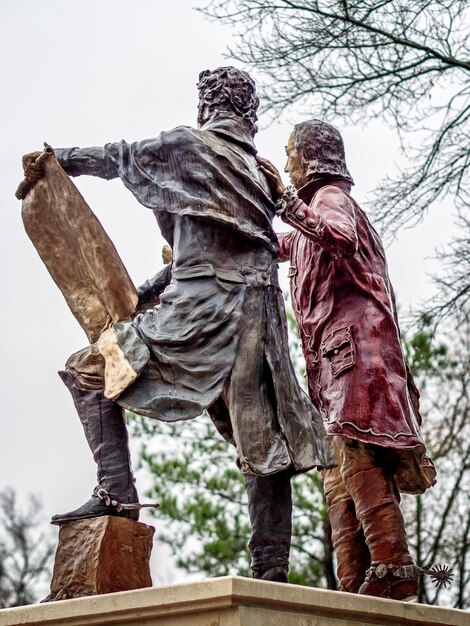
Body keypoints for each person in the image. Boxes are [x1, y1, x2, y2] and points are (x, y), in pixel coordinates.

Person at [23, 70, 334, 582]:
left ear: (206, 106)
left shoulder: (190, 147)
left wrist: (61, 161)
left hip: (200, 315)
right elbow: (215, 250)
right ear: (249, 115)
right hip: (257, 319)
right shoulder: (258, 173)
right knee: (263, 438)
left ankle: (116, 492)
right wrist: (142, 293)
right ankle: (271, 568)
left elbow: (119, 155)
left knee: (87, 369)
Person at [258, 119, 436, 600]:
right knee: (337, 466)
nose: (288, 160)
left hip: (357, 350)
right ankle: (355, 580)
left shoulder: (328, 200)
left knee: (356, 449)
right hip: (340, 356)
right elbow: (280, 245)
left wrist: (286, 202)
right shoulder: (308, 216)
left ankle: (392, 566)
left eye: (291, 151)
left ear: (310, 156)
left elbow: (338, 236)